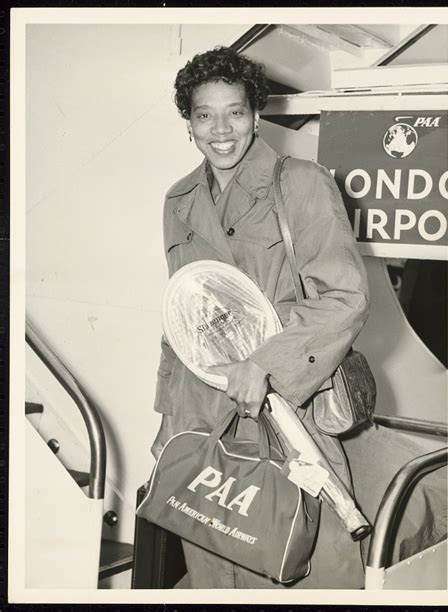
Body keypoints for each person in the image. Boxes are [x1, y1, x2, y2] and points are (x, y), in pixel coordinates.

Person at [150, 46, 370, 589]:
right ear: (189, 122)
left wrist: (264, 363)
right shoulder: (178, 199)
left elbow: (344, 296)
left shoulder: (301, 183)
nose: (221, 129)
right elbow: (182, 316)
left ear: (256, 113)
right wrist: (167, 417)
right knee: (214, 571)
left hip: (287, 415)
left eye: (236, 112)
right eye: (205, 115)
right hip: (200, 419)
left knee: (306, 571)